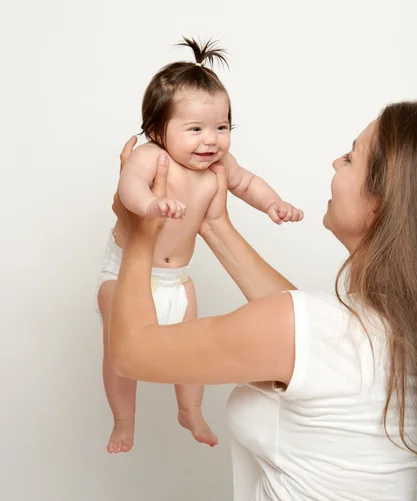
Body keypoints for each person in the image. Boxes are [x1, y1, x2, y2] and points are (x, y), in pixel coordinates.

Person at [108, 101, 417, 500]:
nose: (334, 162)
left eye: (350, 158)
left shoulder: (316, 332)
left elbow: (130, 352)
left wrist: (140, 233)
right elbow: (307, 330)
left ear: (382, 203)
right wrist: (214, 223)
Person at [97, 37, 302, 454]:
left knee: (188, 344)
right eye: (195, 129)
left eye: (222, 128)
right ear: (157, 130)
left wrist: (273, 204)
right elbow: (127, 187)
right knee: (120, 355)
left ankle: (189, 408)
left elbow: (246, 183)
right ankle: (123, 420)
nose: (211, 141)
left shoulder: (219, 165)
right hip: (126, 274)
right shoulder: (153, 157)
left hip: (176, 277)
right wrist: (151, 204)